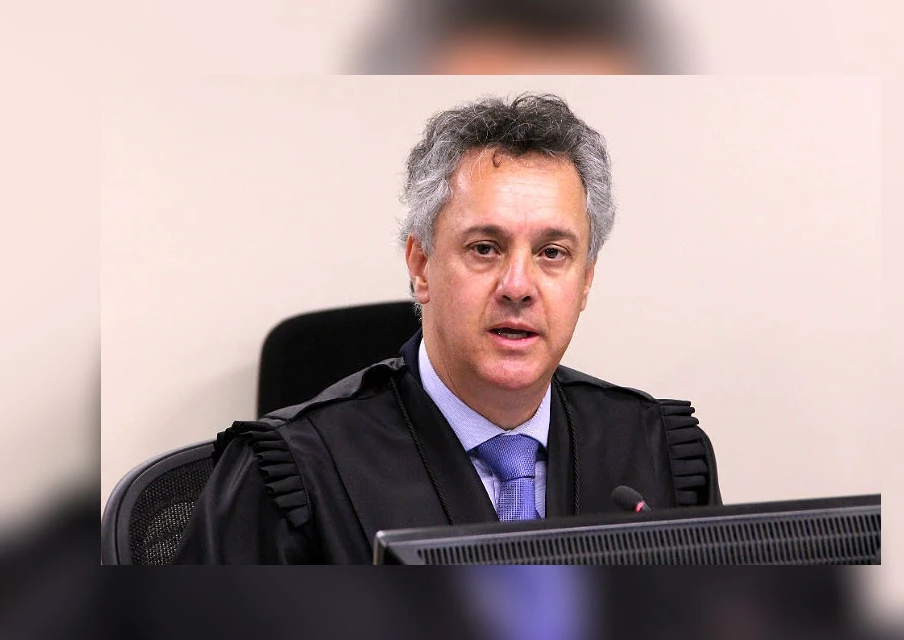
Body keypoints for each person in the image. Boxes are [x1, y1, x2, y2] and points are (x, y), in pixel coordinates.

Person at [174, 93, 721, 564]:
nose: (518, 286)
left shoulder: (658, 458)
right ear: (420, 266)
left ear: (585, 281)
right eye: (485, 248)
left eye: (552, 253)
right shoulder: (294, 475)